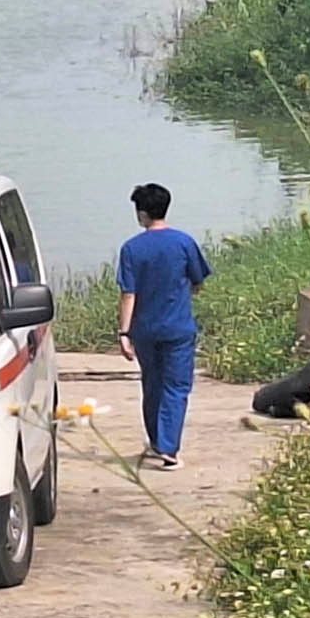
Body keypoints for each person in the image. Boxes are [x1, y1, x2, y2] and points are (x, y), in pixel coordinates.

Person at [116, 183, 212, 471]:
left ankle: (158, 440)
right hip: (178, 328)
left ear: (142, 213)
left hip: (144, 329)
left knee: (152, 384)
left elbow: (128, 294)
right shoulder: (184, 242)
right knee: (177, 386)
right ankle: (169, 449)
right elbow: (198, 280)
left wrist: (124, 332)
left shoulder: (131, 248)